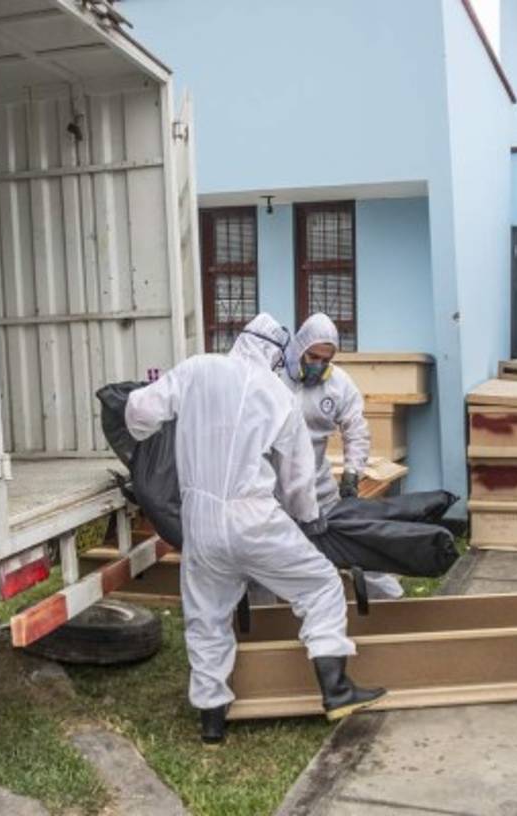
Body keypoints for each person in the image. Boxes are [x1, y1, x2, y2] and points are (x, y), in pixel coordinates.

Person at [125, 313, 385, 745]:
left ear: (241, 340)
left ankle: (212, 719)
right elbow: (298, 477)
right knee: (319, 585)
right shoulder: (276, 393)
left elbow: (138, 412)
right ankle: (336, 688)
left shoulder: (197, 368)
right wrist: (308, 519)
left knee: (206, 616)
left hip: (200, 519)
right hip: (254, 517)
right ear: (278, 353)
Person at [281, 313, 405, 600]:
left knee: (349, 543)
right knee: (276, 557)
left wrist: (351, 475)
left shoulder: (339, 384)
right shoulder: (275, 379)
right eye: (313, 357)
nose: (319, 365)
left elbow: (356, 430)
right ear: (300, 348)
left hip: (319, 485)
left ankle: (395, 604)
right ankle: (270, 620)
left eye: (327, 360)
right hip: (276, 487)